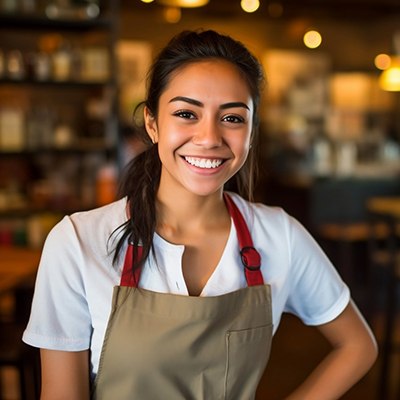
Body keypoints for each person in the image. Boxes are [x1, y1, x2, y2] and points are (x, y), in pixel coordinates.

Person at [23, 29, 377, 399]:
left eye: (233, 118)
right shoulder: (77, 243)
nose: (209, 138)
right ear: (152, 123)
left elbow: (358, 346)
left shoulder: (279, 236)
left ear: (252, 132)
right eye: (186, 113)